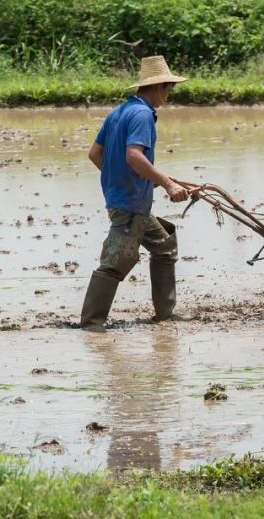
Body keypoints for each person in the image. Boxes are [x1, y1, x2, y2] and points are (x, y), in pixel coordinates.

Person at [79, 55, 190, 332]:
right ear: (158, 86)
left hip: (128, 200)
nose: (168, 95)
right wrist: (167, 184)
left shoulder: (119, 112)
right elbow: (133, 156)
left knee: (164, 246)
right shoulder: (142, 115)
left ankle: (166, 314)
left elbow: (96, 154)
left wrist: (127, 178)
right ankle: (91, 324)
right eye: (169, 88)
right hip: (130, 204)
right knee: (116, 262)